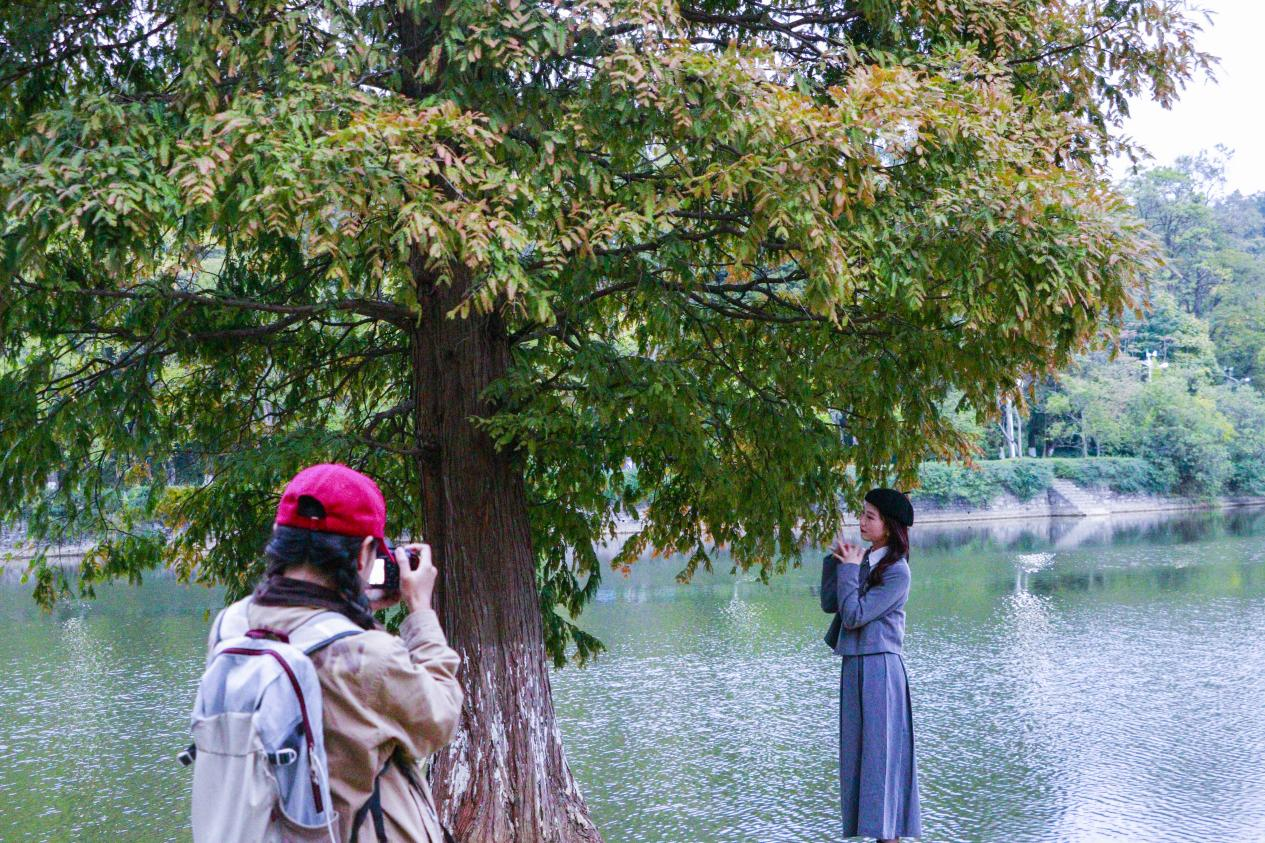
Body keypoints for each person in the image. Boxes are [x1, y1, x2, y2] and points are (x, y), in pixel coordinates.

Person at [208, 463, 463, 842]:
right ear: (363, 555)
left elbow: (306, 635)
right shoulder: (370, 655)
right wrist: (421, 611)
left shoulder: (231, 627)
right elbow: (440, 718)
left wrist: (352, 606)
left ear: (280, 537)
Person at [821, 488, 922, 842]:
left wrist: (850, 569)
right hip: (854, 667)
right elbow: (831, 603)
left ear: (890, 526)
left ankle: (889, 836)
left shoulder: (898, 572)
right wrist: (838, 561)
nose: (861, 521)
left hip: (880, 668)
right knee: (858, 759)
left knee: (882, 761)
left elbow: (854, 615)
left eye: (870, 516)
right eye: (861, 514)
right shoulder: (864, 560)